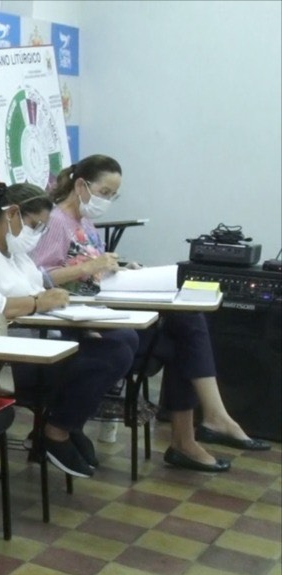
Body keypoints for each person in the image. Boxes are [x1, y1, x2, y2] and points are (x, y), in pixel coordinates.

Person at [32, 155, 270, 469]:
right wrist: (91, 266)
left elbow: (89, 271)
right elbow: (37, 276)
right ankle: (203, 427)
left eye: (112, 196)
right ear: (81, 185)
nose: (107, 201)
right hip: (80, 325)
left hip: (104, 313)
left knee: (187, 324)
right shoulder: (57, 222)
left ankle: (197, 432)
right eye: (104, 192)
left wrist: (117, 268)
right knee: (182, 336)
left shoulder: (85, 222)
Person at [0, 183, 137, 478]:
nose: (36, 234)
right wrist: (35, 303)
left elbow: (39, 288)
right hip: (1, 358)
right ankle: (55, 432)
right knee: (111, 356)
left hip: (39, 341)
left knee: (125, 338)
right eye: (34, 225)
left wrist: (80, 323)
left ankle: (66, 424)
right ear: (12, 214)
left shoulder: (14, 252)